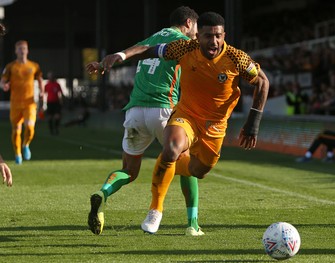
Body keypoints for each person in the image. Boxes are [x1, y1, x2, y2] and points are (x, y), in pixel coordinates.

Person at [99, 11, 269, 234]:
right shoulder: (185, 48)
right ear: (198, 36)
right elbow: (149, 50)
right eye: (208, 36)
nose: (214, 41)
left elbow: (263, 82)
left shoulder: (237, 58)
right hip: (186, 115)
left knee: (199, 171)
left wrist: (253, 122)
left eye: (218, 36)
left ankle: (165, 164)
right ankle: (156, 210)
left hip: (215, 126)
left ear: (224, 35)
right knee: (171, 148)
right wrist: (121, 56)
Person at [85, 6, 203, 236]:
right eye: (197, 28)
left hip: (135, 110)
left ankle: (103, 194)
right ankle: (192, 223)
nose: (198, 34)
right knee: (187, 164)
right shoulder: (184, 43)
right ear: (188, 23)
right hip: (164, 109)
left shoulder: (154, 37)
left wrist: (107, 62)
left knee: (129, 171)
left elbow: (135, 52)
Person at [1, 40, 44, 165]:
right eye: (19, 48)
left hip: (29, 102)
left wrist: (42, 92)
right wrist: (4, 86)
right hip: (15, 103)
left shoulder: (34, 66)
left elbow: (40, 79)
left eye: (24, 48)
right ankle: (17, 153)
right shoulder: (10, 66)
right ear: (15, 51)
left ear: (27, 50)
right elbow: (2, 81)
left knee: (30, 127)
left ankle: (26, 144)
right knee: (16, 130)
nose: (22, 50)